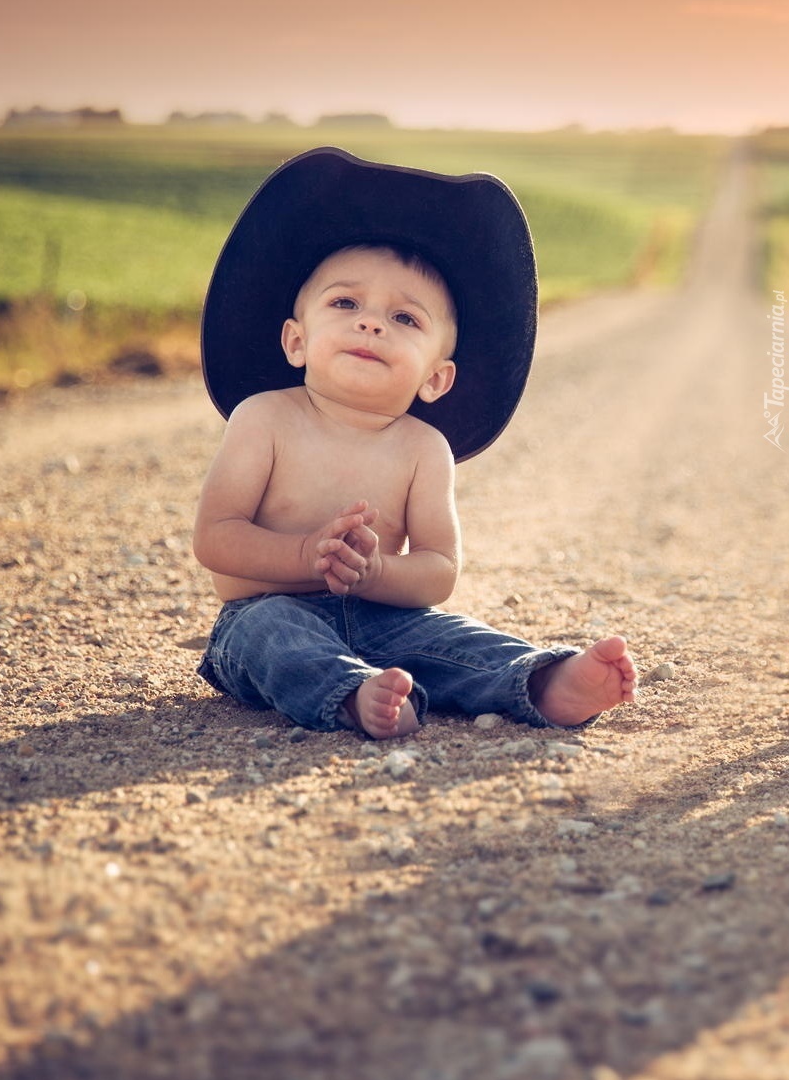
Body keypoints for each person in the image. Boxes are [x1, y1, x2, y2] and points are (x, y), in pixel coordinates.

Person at [194, 147, 637, 738]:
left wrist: (374, 572)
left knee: (453, 639)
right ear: (296, 341)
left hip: (386, 618)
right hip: (267, 607)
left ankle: (544, 682)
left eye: (405, 319)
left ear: (435, 377)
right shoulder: (264, 419)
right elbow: (215, 539)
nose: (371, 322)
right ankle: (349, 692)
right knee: (271, 639)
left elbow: (437, 571)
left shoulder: (424, 449)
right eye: (345, 303)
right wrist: (306, 557)